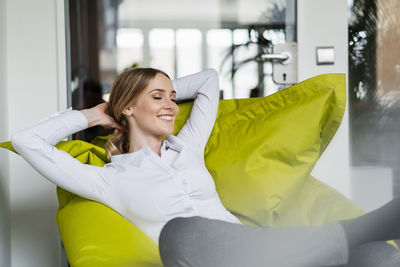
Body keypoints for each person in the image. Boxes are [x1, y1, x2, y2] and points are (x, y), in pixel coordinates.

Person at [10, 67, 400, 267]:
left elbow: (209, 81)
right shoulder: (105, 179)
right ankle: (364, 228)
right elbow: (29, 141)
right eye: (158, 97)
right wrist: (95, 113)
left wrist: (152, 91)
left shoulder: (188, 147)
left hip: (261, 251)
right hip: (204, 257)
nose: (170, 106)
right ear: (127, 108)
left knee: (381, 257)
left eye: (173, 97)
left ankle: (355, 237)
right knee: (181, 235)